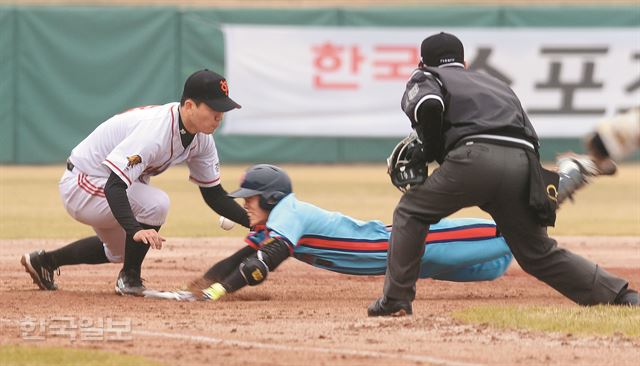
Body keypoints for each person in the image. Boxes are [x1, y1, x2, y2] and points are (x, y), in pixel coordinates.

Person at [367, 32, 638, 316]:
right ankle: (622, 296)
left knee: (411, 212)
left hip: (473, 159)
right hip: (522, 161)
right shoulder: (496, 85)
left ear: (423, 62)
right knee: (537, 252)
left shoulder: (426, 76)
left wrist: (428, 152)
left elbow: (430, 105)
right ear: (465, 63)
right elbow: (530, 139)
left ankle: (396, 299)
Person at [21, 69, 250, 296]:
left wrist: (255, 223)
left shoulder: (202, 140)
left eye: (223, 109)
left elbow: (214, 194)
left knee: (122, 251)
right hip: (82, 181)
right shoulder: (156, 131)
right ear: (189, 106)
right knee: (156, 204)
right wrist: (134, 229)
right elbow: (114, 186)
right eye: (214, 108)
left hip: (109, 184)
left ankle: (45, 262)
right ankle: (129, 278)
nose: (220, 116)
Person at [168, 164, 513, 302]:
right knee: (494, 266)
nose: (245, 205)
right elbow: (243, 257)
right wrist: (199, 287)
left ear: (271, 198)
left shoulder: (289, 212)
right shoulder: (272, 224)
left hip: (402, 243)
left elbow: (263, 262)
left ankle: (549, 192)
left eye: (250, 198)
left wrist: (217, 292)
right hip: (404, 264)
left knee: (510, 233)